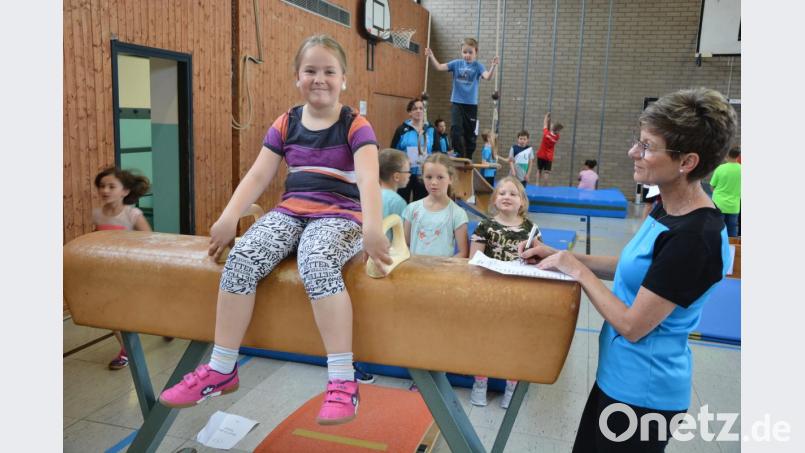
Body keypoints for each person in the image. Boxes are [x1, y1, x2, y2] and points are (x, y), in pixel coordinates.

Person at [158, 35, 392, 426]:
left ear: (344, 79)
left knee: (315, 263)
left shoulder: (356, 125)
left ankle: (341, 379)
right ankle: (221, 367)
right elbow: (258, 174)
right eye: (311, 71)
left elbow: (368, 179)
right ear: (297, 77)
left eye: (329, 71)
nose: (320, 79)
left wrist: (371, 227)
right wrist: (229, 216)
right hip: (291, 212)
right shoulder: (286, 123)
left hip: (340, 214)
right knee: (242, 259)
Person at [520, 87, 737, 451]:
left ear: (687, 162)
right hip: (618, 377)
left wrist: (578, 271)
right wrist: (556, 256)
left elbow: (633, 325)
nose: (633, 152)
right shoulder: (668, 207)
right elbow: (637, 270)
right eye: (638, 141)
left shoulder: (694, 238)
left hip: (643, 395)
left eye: (648, 147)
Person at [468, 176, 539, 409]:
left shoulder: (530, 229)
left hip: (518, 295)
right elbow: (474, 260)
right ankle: (480, 383)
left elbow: (537, 259)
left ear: (522, 202)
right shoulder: (484, 226)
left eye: (513, 194)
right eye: (502, 193)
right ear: (494, 199)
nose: (507, 197)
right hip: (488, 293)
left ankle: (511, 386)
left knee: (513, 341)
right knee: (485, 339)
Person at [92, 167, 152, 370]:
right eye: (102, 186)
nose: (105, 190)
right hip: (106, 271)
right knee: (111, 312)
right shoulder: (98, 214)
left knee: (130, 310)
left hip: (129, 270)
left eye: (111, 186)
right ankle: (126, 350)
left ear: (125, 191)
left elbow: (149, 240)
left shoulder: (132, 214)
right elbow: (97, 238)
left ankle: (161, 325)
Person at [425, 38, 498, 160]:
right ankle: (458, 152)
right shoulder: (456, 64)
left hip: (471, 106)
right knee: (456, 129)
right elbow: (439, 67)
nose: (467, 55)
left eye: (470, 52)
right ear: (461, 52)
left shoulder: (478, 66)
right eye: (465, 52)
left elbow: (488, 77)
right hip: (457, 103)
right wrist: (431, 56)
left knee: (470, 134)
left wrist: (493, 67)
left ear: (476, 52)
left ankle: (468, 156)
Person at [402, 153, 469, 258]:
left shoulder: (458, 214)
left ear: (450, 178)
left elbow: (463, 252)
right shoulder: (412, 209)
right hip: (415, 270)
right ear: (422, 177)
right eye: (428, 177)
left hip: (442, 272)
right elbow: (404, 244)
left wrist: (443, 269)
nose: (433, 182)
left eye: (440, 177)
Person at [391, 98, 435, 203]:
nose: (419, 111)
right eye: (415, 109)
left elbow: (437, 151)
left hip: (423, 173)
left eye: (421, 108)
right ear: (410, 112)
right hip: (405, 172)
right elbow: (393, 152)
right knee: (401, 202)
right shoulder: (401, 130)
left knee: (421, 204)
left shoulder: (430, 130)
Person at [709, 148, 741, 237]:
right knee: (732, 231)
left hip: (719, 204)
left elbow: (712, 186)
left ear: (727, 155)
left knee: (717, 230)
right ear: (738, 156)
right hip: (734, 205)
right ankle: (732, 249)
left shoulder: (720, 168)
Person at [379, 148, 410, 223]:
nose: (409, 175)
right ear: (396, 177)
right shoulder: (398, 202)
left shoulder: (373, 195)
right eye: (408, 171)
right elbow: (402, 232)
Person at [536, 112, 563, 186]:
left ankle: (537, 183)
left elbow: (545, 124)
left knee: (539, 170)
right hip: (549, 157)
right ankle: (545, 185)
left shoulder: (546, 134)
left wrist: (546, 116)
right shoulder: (557, 137)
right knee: (547, 172)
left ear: (552, 128)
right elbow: (555, 130)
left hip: (541, 155)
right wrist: (551, 124)